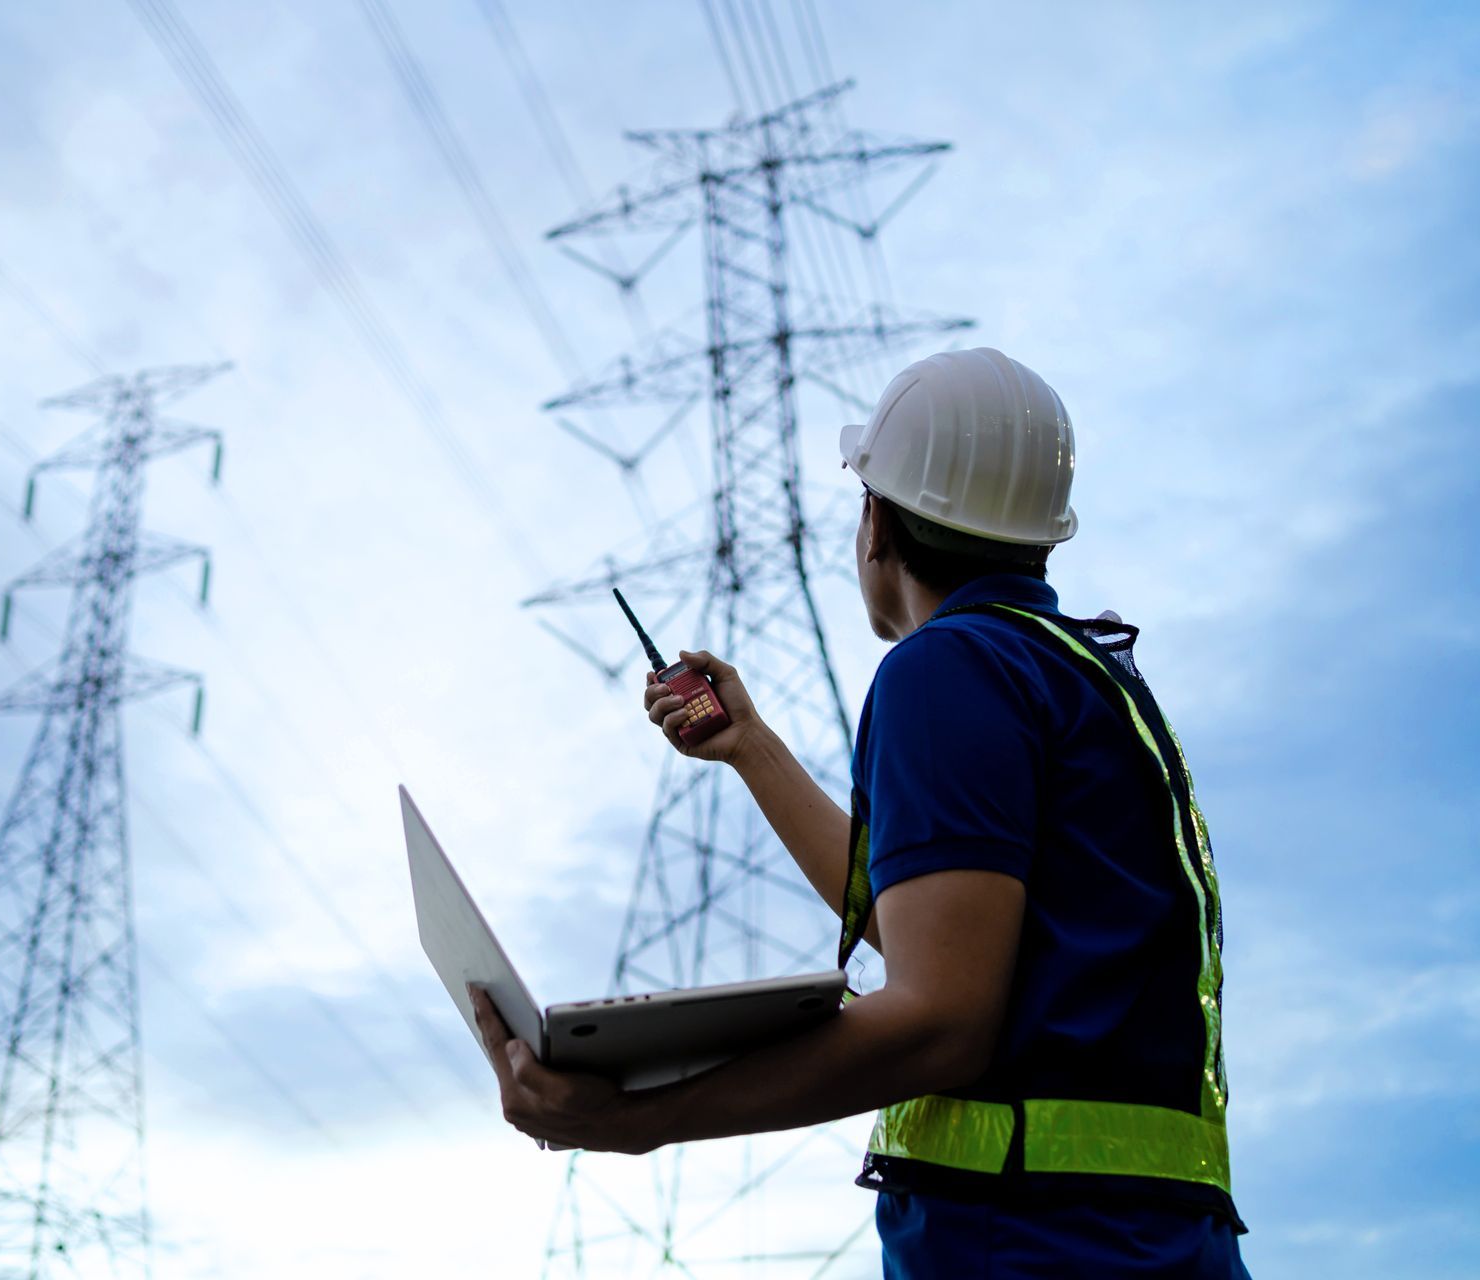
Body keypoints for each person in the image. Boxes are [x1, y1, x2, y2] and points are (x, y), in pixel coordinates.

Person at [468, 348, 1250, 1278]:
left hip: (1028, 1245)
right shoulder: (1085, 678)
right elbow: (929, 932)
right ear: (1040, 536)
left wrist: (640, 1118)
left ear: (875, 521)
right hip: (1150, 1244)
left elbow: (940, 1016)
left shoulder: (948, 668)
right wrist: (750, 746)